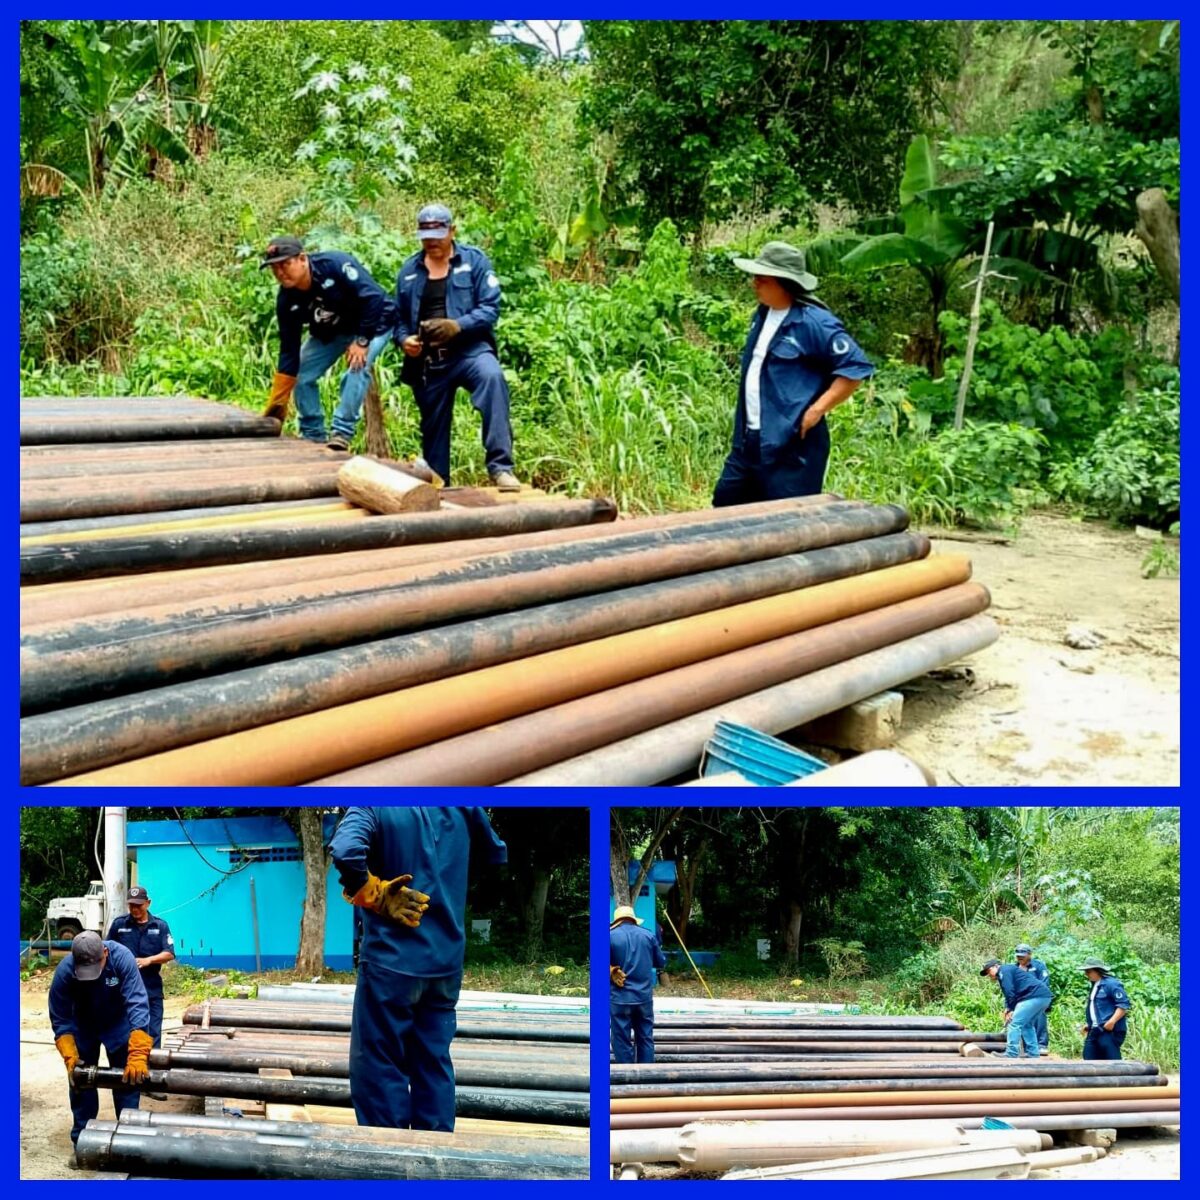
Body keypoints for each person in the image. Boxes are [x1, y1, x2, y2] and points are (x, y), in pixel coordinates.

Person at [329, 807, 508, 1131]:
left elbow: (346, 851)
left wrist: (377, 895)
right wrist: (447, 888)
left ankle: (392, 1168)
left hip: (390, 964)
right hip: (444, 964)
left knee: (379, 1066)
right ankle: (434, 1164)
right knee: (433, 1064)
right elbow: (493, 855)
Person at [713, 241, 874, 507]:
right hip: (749, 441)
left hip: (791, 447)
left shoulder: (814, 323)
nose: (755, 284)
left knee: (786, 522)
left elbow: (854, 368)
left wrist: (816, 410)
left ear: (783, 282)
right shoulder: (762, 315)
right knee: (726, 504)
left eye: (761, 279)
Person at [394, 205, 521, 490]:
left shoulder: (474, 262)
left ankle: (501, 467)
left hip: (469, 351)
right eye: (427, 238)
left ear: (453, 231)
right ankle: (439, 486)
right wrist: (404, 340)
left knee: (492, 377)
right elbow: (398, 319)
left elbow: (490, 308)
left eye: (439, 236)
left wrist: (458, 325)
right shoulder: (408, 272)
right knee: (433, 431)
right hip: (430, 362)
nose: (433, 243)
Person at [260, 235, 398, 451]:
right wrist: (278, 399)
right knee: (303, 373)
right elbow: (289, 349)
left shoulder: (335, 265)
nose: (280, 273)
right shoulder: (287, 299)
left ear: (302, 259)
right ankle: (313, 433)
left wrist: (362, 341)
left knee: (356, 365)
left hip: (374, 322)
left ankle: (341, 433)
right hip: (333, 330)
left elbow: (374, 298)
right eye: (274, 269)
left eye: (285, 264)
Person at [48, 931, 153, 1146]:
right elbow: (60, 1016)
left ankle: (129, 1138)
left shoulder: (122, 958)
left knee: (128, 1079)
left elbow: (137, 1001)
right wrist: (68, 1051)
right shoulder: (65, 972)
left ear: (105, 952)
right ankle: (83, 1140)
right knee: (81, 1080)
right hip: (84, 1026)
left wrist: (139, 1049)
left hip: (118, 1023)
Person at [106, 886, 175, 1050]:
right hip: (124, 991)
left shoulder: (159, 926)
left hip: (151, 989)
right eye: (131, 905)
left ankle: (153, 1071)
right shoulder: (119, 925)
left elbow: (169, 954)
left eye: (139, 905)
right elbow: (107, 950)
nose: (135, 909)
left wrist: (148, 960)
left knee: (152, 1034)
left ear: (148, 903)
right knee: (125, 1033)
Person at [610, 905, 667, 1064]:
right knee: (645, 1038)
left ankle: (627, 1078)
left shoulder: (609, 936)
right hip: (644, 998)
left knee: (621, 1039)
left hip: (620, 999)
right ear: (633, 919)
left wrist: (611, 970)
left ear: (617, 921)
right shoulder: (648, 936)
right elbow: (660, 962)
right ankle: (646, 1078)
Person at [980, 956, 1052, 1058]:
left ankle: (1011, 1053)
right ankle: (1033, 1054)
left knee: (1014, 1024)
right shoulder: (1006, 971)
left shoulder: (1003, 971)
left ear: (996, 966)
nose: (988, 974)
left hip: (1034, 997)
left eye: (989, 970)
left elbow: (1010, 992)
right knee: (1027, 1025)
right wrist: (1008, 1008)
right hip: (1044, 997)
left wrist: (1011, 1010)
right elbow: (1009, 992)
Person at [1079, 957, 1133, 1060]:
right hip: (1095, 1030)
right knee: (1089, 1058)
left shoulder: (1111, 984)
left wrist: (1111, 1022)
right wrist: (1090, 1024)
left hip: (1109, 1031)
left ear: (1097, 970)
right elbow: (1097, 1008)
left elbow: (1123, 1005)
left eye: (1088, 971)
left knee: (1112, 1061)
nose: (1086, 974)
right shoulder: (1095, 985)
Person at [1014, 942, 1052, 1054]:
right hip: (1022, 1001)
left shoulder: (1039, 966)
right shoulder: (1015, 968)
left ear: (1029, 954)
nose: (1020, 958)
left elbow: (1044, 983)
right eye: (1018, 956)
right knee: (1023, 1023)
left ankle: (1041, 1045)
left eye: (1023, 956)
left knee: (1039, 1020)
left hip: (1038, 998)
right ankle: (1028, 1047)